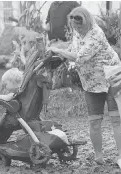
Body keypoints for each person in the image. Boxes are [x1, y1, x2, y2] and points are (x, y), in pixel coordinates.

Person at [47, 7, 121, 166]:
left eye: (80, 26)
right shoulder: (77, 31)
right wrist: (60, 53)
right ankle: (99, 156)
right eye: (74, 26)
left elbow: (79, 57)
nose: (77, 29)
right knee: (94, 121)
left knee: (117, 120)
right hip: (91, 82)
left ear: (87, 21)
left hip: (111, 77)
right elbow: (73, 49)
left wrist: (57, 50)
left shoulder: (95, 34)